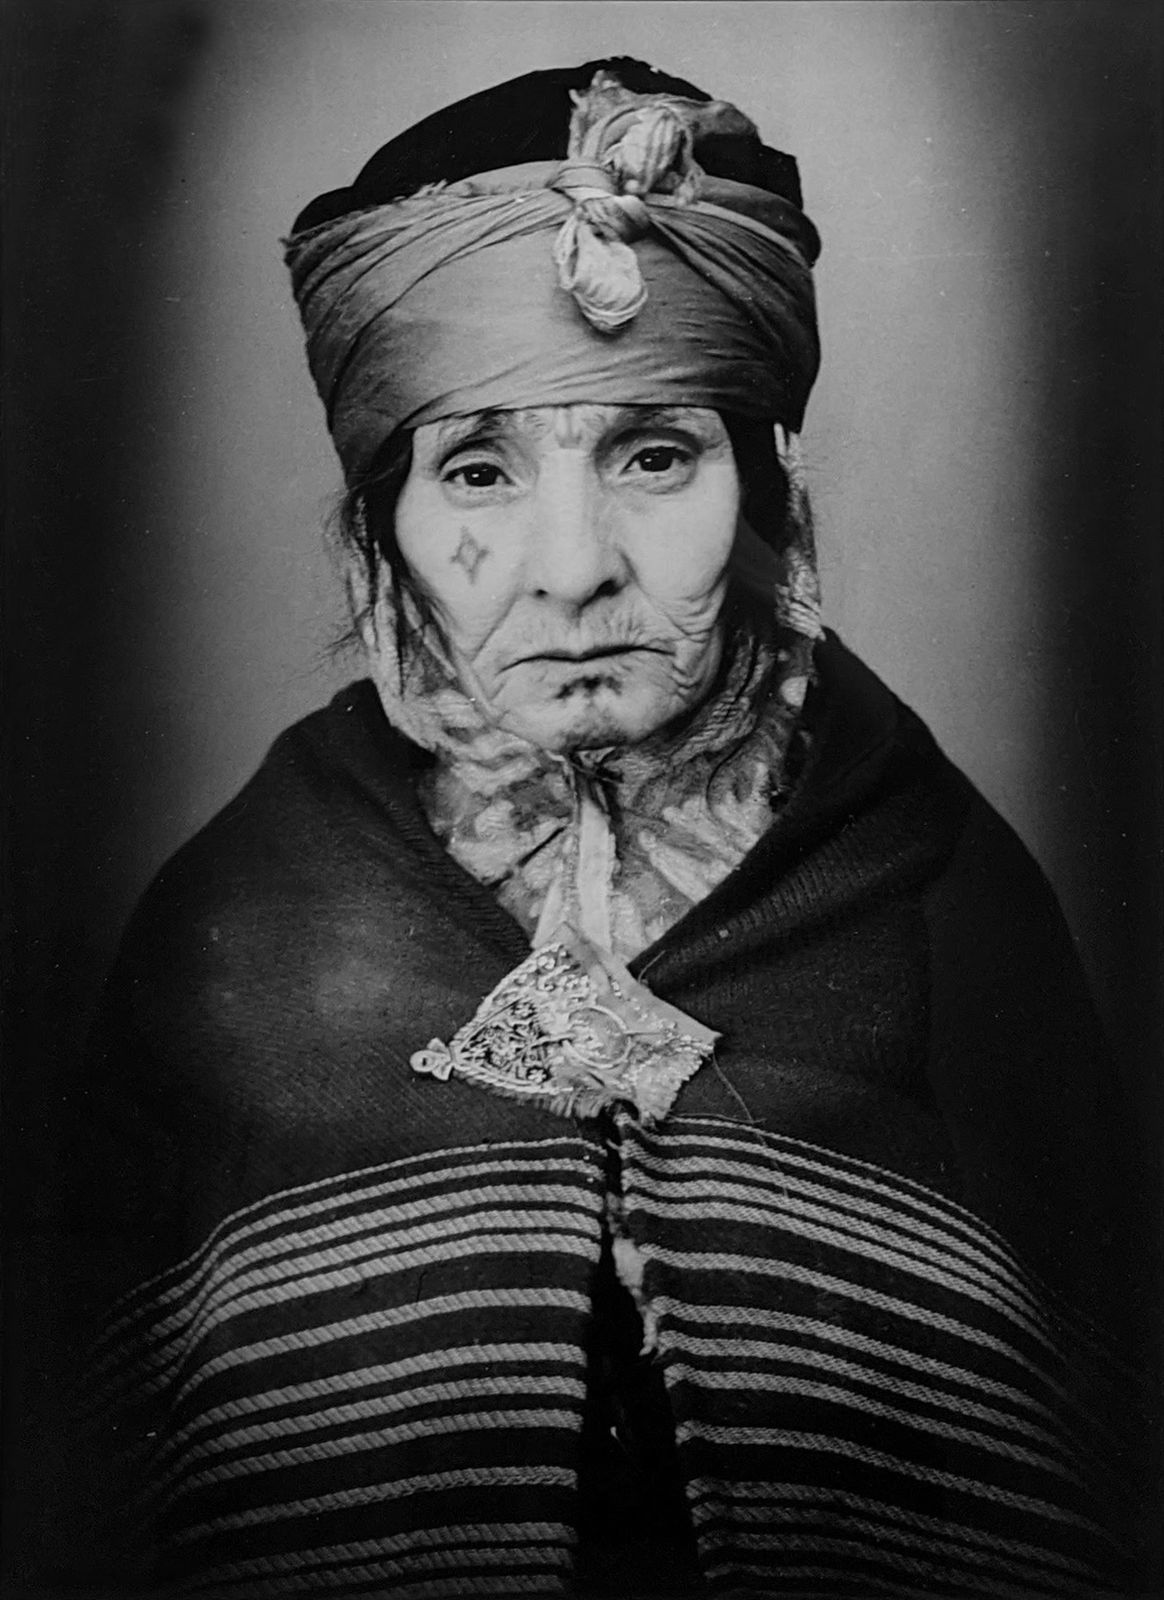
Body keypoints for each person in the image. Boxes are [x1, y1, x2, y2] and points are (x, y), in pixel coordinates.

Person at [70, 56, 1143, 1600]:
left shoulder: (948, 912)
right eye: (480, 470)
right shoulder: (232, 946)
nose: (571, 567)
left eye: (654, 455)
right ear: (383, 535)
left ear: (768, 492)